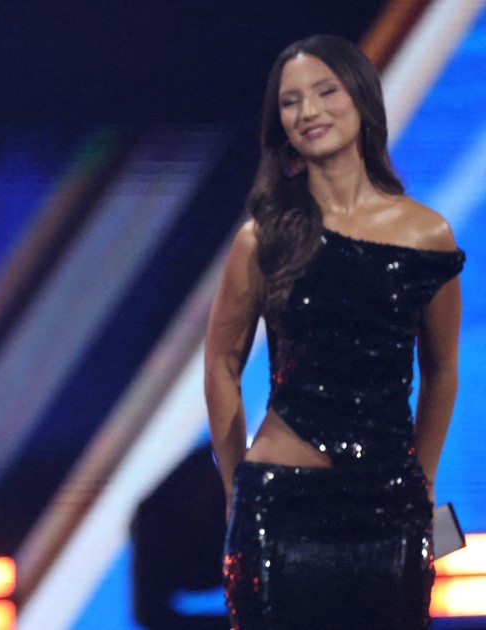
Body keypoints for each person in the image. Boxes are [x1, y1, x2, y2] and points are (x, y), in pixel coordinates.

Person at [204, 35, 463, 629]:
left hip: (389, 510)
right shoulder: (263, 239)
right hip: (279, 507)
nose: (309, 111)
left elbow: (443, 367)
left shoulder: (428, 234)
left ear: (362, 99)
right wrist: (235, 487)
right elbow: (221, 363)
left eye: (325, 92)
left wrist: (422, 483)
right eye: (290, 101)